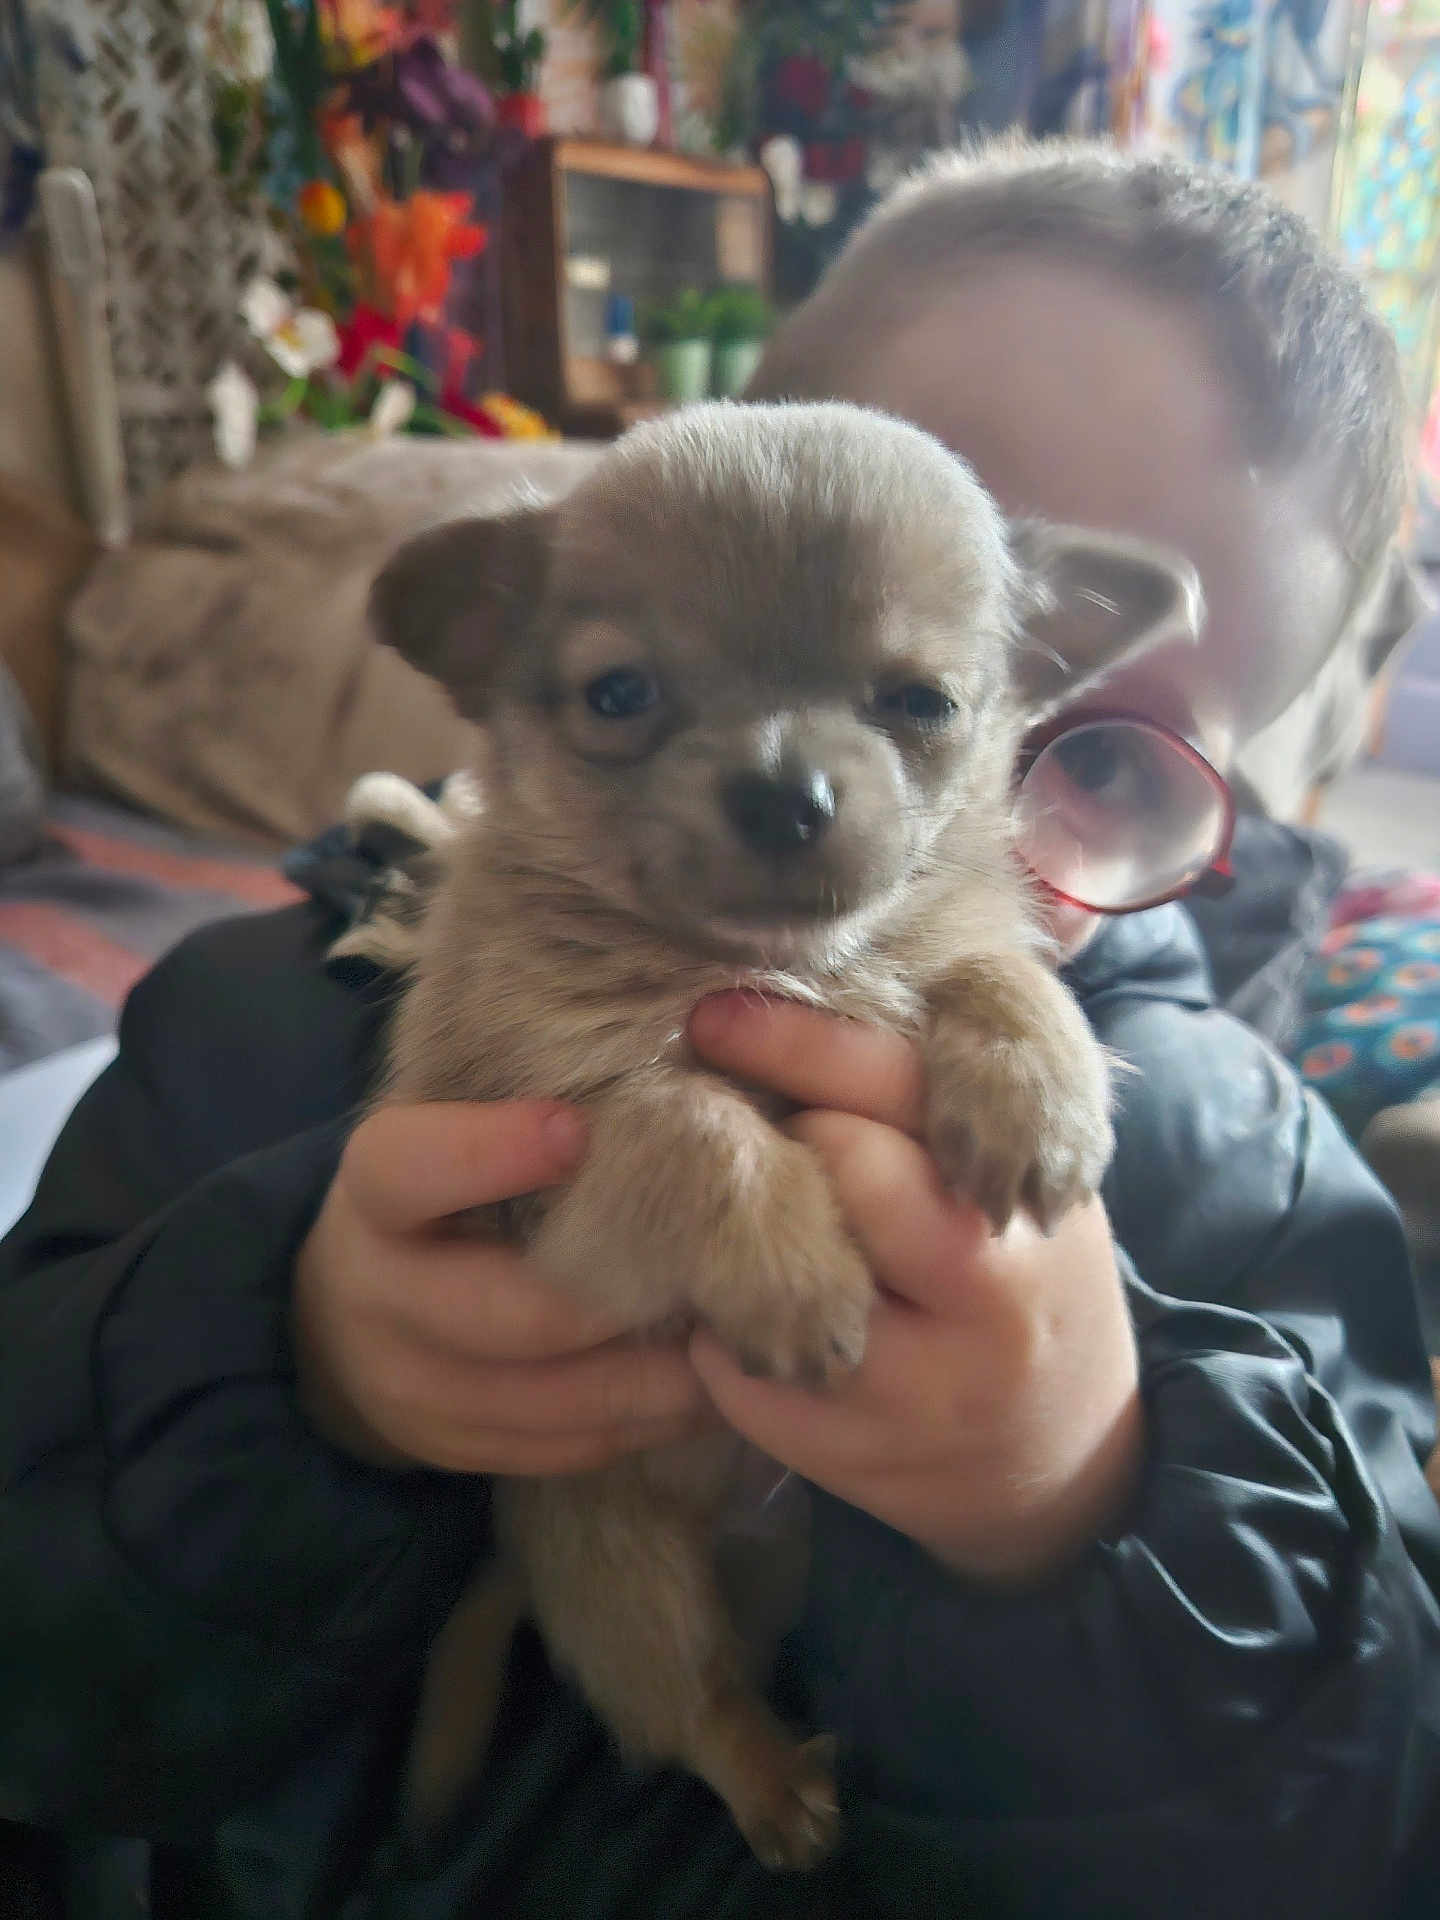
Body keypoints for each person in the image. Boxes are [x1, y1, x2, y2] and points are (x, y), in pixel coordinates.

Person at [2, 138, 1438, 1920]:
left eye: (930, 695)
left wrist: (1090, 1502)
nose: (796, 790)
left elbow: (1371, 1820)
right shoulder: (268, 1019)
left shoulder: (1243, 1165)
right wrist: (290, 1369)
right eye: (635, 690)